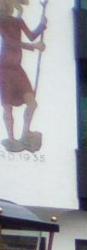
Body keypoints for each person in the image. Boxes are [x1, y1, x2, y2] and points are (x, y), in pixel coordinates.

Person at [0, 0, 45, 153]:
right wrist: (33, 47)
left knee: (32, 103)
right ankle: (11, 139)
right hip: (4, 69)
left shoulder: (18, 21)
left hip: (17, 68)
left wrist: (41, 25)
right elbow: (9, 42)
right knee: (7, 107)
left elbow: (31, 36)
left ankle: (25, 133)